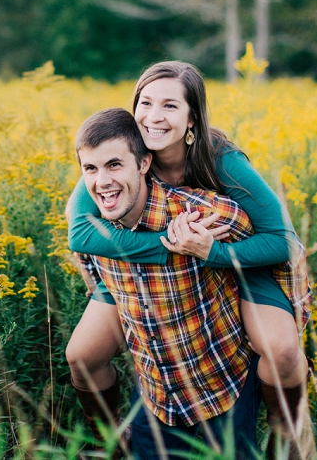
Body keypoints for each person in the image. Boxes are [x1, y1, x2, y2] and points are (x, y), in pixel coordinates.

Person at [65, 62, 312, 459]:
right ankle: (110, 441)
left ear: (192, 117)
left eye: (170, 106)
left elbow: (282, 241)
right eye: (145, 102)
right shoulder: (123, 149)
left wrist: (213, 253)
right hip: (143, 261)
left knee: (282, 349)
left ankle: (287, 442)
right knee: (81, 355)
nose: (154, 117)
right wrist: (167, 247)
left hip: (236, 256)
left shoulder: (221, 159)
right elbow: (79, 233)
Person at [72, 107, 263, 459]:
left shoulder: (203, 216)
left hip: (222, 385)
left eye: (114, 165)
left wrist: (286, 329)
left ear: (144, 164)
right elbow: (85, 262)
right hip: (157, 398)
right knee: (80, 356)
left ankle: (289, 433)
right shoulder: (92, 229)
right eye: (91, 169)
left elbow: (276, 250)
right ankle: (109, 436)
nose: (102, 181)